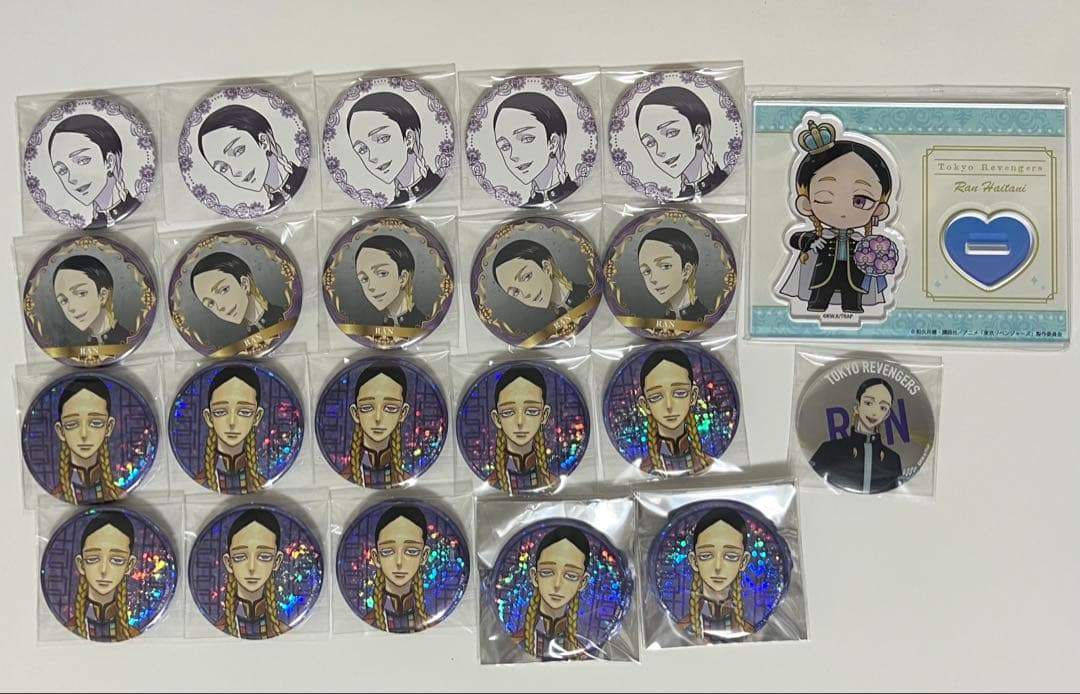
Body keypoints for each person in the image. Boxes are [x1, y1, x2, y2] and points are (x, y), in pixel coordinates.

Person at [778, 120, 894, 314]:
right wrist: (811, 242)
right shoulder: (820, 236)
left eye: (860, 200)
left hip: (854, 275)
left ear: (880, 209)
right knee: (820, 296)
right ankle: (817, 305)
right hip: (823, 271)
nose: (843, 211)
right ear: (806, 203)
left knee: (853, 298)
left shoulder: (863, 241)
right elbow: (794, 239)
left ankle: (853, 306)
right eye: (825, 197)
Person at [198, 104, 306, 209]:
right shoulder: (270, 202)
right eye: (223, 168)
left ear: (263, 142)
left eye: (238, 151)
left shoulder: (300, 175)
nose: (235, 172)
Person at [809, 377, 903, 493]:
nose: (874, 412)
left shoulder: (893, 459)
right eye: (868, 403)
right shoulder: (828, 449)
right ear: (857, 407)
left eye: (882, 407)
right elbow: (810, 484)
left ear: (887, 414)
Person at [347, 92, 441, 206]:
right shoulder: (392, 205)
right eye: (362, 150)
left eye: (382, 138)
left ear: (409, 138)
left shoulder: (439, 187)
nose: (372, 157)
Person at [635, 86, 726, 199]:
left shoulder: (725, 184)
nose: (660, 151)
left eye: (671, 133)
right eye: (650, 143)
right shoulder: (678, 197)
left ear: (698, 134)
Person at [513, 525, 590, 659]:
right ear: (535, 576)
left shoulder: (582, 654)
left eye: (571, 575)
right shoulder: (514, 644)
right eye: (547, 572)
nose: (557, 585)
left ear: (582, 582)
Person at [48, 114, 137, 229]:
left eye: (82, 160)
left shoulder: (135, 205)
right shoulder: (91, 224)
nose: (71, 178)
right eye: (62, 171)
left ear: (109, 162)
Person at [677, 508, 753, 641]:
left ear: (743, 561)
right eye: (706, 555)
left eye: (731, 556)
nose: (718, 567)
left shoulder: (746, 630)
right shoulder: (682, 627)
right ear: (694, 561)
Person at [493, 92, 578, 206]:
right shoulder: (526, 205)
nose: (513, 155)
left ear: (553, 143)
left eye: (526, 139)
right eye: (505, 146)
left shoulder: (581, 196)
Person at [69, 511, 139, 641]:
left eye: (117, 560)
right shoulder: (70, 628)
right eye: (92, 559)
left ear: (129, 565)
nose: (103, 570)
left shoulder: (132, 633)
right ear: (81, 564)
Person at [637, 348, 709, 474]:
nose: (669, 405)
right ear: (645, 404)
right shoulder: (644, 469)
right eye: (656, 397)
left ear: (693, 395)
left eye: (680, 393)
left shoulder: (708, 462)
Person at [217, 508, 287, 639]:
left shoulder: (282, 630)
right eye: (240, 557)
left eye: (264, 556)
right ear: (228, 562)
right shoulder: (219, 629)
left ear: (277, 561)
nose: (251, 568)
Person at [196, 365, 265, 494]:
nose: (232, 423)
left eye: (244, 412)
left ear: (257, 416)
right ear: (208, 417)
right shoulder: (199, 482)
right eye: (220, 412)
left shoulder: (261, 482)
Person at [52, 377, 121, 504]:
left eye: (96, 423)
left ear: (109, 427)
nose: (84, 434)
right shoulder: (56, 496)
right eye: (72, 424)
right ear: (60, 431)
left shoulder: (118, 493)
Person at [488, 366, 555, 494]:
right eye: (508, 412)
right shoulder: (491, 483)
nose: (519, 422)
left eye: (532, 411)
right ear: (497, 419)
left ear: (544, 414)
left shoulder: (552, 481)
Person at [365, 505, 430, 633]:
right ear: (376, 557)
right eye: (387, 551)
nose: (399, 562)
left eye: (411, 551)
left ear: (424, 555)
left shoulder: (431, 623)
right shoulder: (368, 623)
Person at [190, 252, 285, 336]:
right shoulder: (245, 344)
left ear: (244, 284)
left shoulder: (285, 316)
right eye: (210, 303)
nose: (220, 307)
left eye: (224, 290)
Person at [346, 365, 411, 488]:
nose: (378, 418)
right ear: (355, 413)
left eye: (390, 408)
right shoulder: (345, 477)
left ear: (403, 413)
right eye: (367, 407)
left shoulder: (406, 479)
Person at [492, 239, 589, 320]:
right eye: (515, 292)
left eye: (527, 277)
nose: (526, 294)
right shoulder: (554, 326)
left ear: (547, 268)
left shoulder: (588, 294)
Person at [53, 255, 132, 346]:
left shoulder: (127, 340)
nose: (71, 308)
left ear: (102, 295)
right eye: (63, 301)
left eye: (81, 293)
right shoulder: (83, 347)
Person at [353, 235, 428, 328]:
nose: (370, 286)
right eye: (364, 279)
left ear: (403, 278)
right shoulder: (378, 328)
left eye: (382, 273)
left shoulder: (425, 325)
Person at [636, 228, 709, 322]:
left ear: (686, 271)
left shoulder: (708, 319)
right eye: (646, 271)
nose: (653, 279)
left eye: (665, 266)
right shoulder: (655, 325)